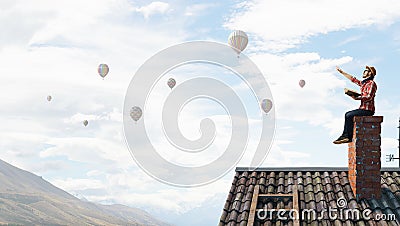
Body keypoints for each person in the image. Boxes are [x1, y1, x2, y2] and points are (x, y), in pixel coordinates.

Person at [333, 65, 377, 144]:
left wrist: (358, 97)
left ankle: (347, 136)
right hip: (363, 108)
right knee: (348, 115)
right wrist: (342, 72)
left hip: (368, 110)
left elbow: (369, 97)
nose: (364, 72)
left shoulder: (371, 83)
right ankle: (346, 136)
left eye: (366, 71)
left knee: (349, 115)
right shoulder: (364, 84)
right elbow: (353, 79)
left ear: (370, 74)